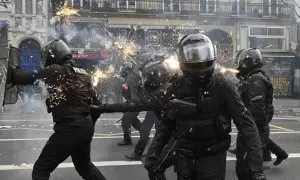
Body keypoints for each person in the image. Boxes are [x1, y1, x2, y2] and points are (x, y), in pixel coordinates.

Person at [144, 34, 266, 180]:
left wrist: (256, 168)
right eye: (193, 55)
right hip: (185, 156)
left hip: (212, 157)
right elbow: (166, 124)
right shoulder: (178, 85)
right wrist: (153, 154)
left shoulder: (222, 85)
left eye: (202, 54)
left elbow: (247, 125)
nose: (199, 61)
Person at [9, 39, 106, 180]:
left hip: (69, 127)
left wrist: (9, 71)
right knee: (85, 166)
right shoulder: (84, 73)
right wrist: (87, 125)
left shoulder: (55, 70)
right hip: (85, 125)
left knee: (40, 170)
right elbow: (96, 104)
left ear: (53, 55)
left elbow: (26, 77)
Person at [234, 48, 288, 174]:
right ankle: (279, 153)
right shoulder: (252, 77)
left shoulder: (256, 79)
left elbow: (256, 110)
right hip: (257, 124)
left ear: (248, 62)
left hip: (255, 124)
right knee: (258, 145)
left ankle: (261, 164)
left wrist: (247, 127)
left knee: (247, 164)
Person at [117, 62, 142, 146]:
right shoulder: (132, 77)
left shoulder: (130, 78)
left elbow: (134, 93)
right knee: (134, 120)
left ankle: (127, 140)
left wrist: (132, 103)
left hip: (135, 103)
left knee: (125, 120)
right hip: (135, 102)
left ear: (127, 69)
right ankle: (144, 134)